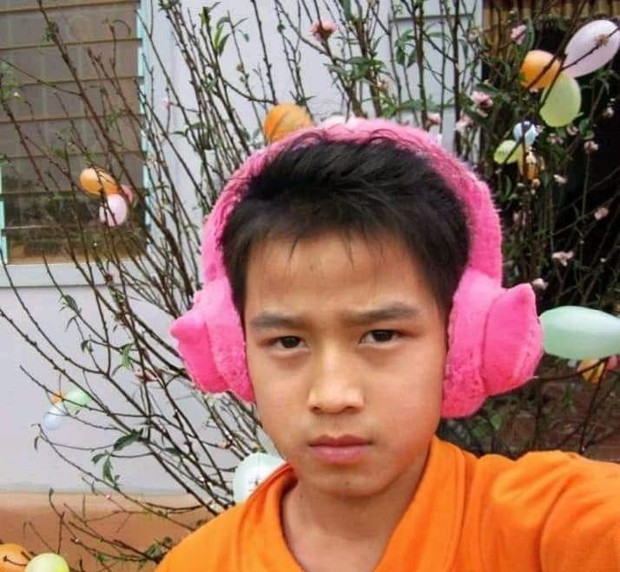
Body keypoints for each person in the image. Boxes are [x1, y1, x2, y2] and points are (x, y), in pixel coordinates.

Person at [162, 119, 620, 572]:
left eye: (380, 335)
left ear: (459, 342)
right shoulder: (197, 564)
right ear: (237, 351)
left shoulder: (552, 526)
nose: (333, 396)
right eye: (287, 341)